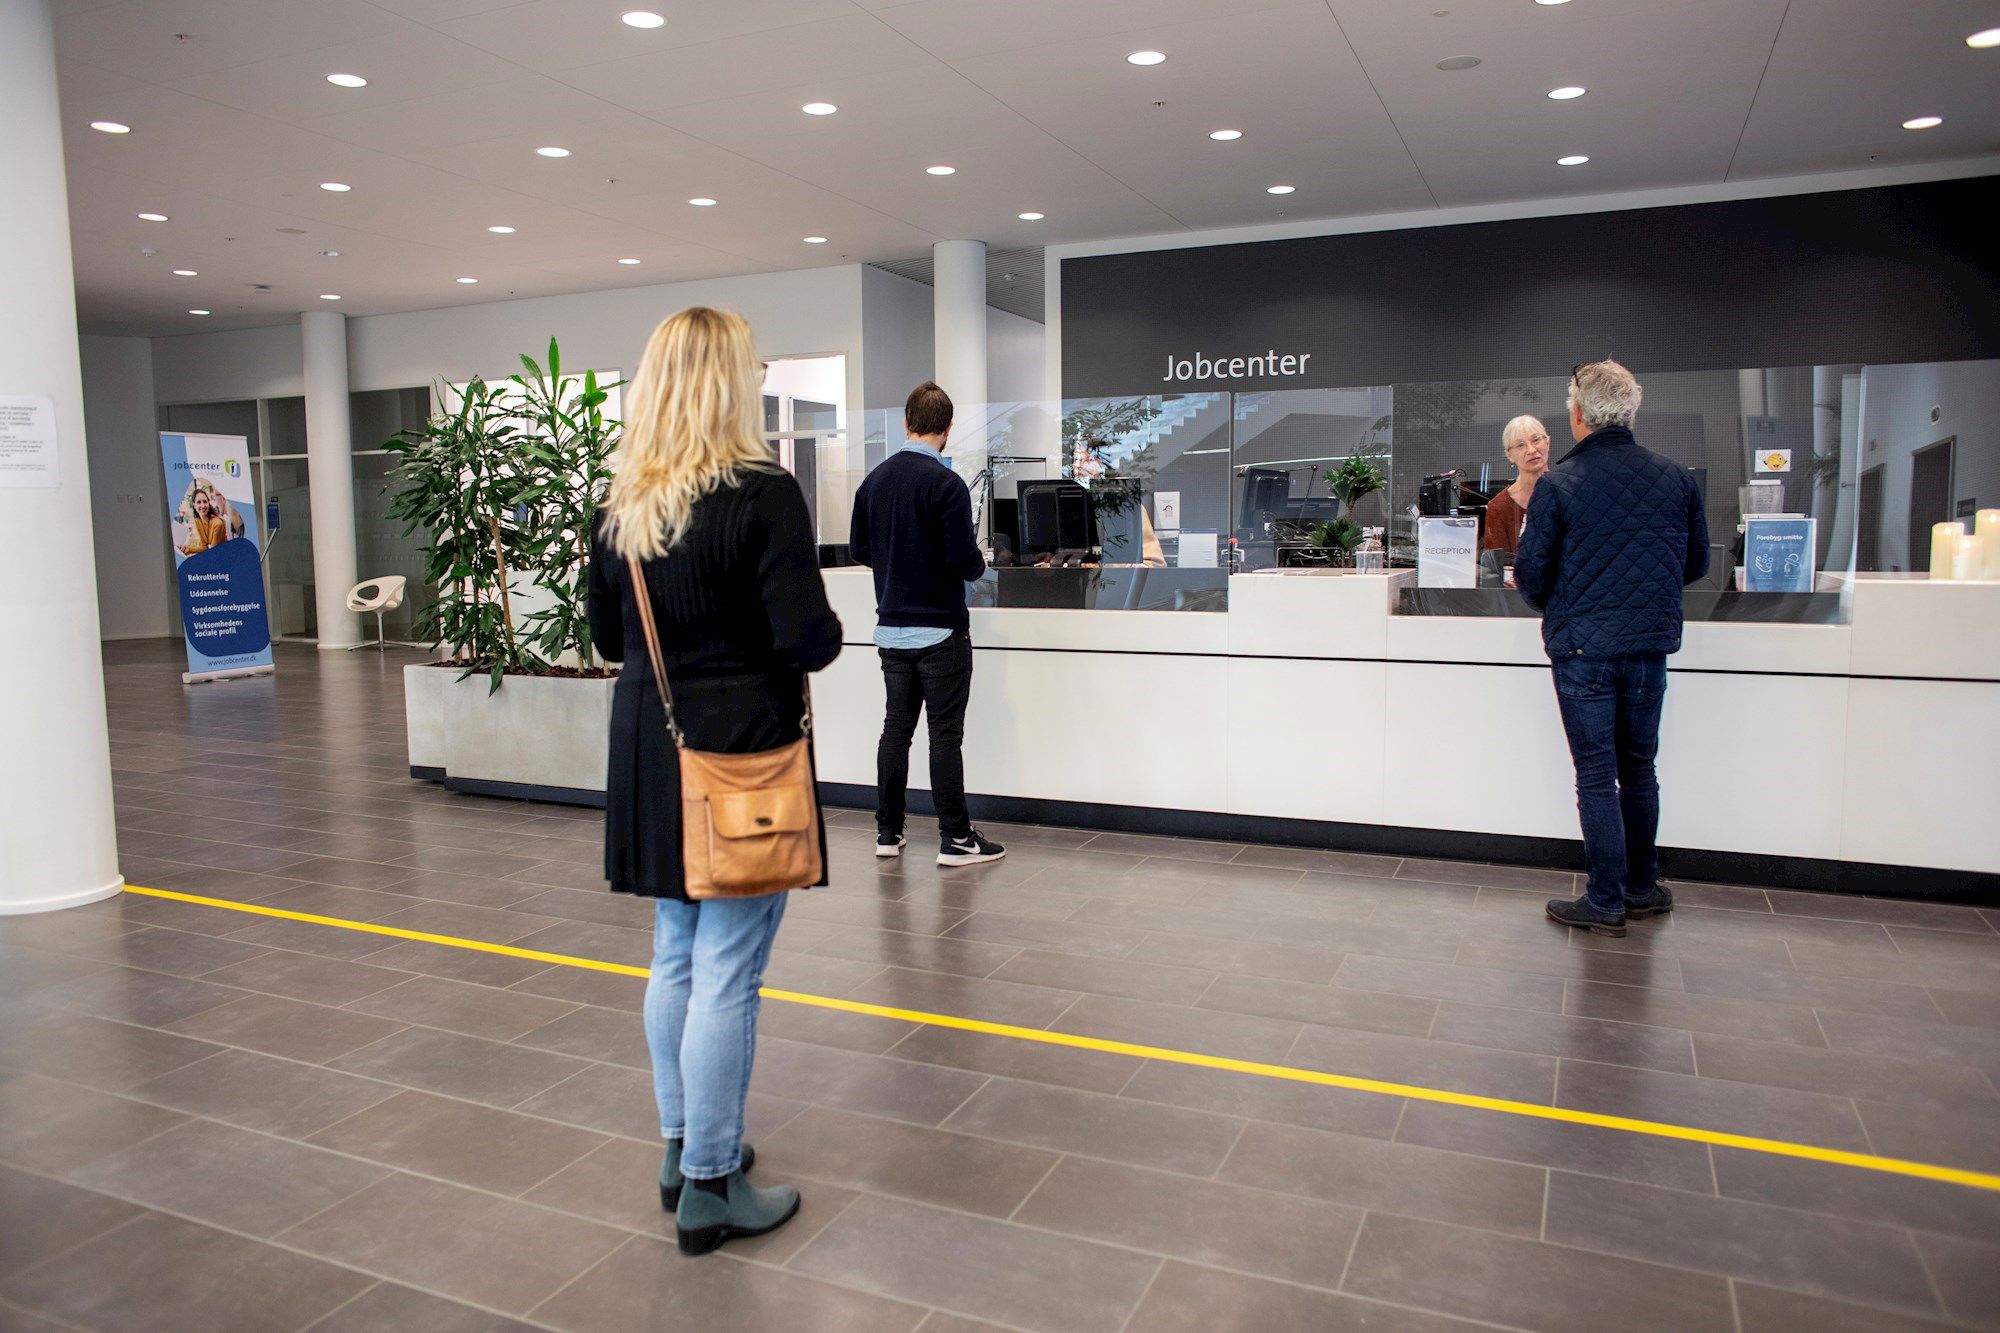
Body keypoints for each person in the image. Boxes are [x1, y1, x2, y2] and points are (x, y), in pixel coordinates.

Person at [586, 306, 842, 1255]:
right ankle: (710, 1181)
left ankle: (681, 1143)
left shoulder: (621, 502)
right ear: (731, 383)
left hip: (651, 748)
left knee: (676, 954)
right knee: (729, 967)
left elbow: (607, 638)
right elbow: (806, 637)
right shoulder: (761, 495)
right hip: (739, 754)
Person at [1514, 359, 1708, 937]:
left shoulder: (1559, 485)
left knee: (1597, 775)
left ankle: (1604, 901)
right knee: (1640, 769)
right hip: (1649, 648)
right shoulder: (1676, 478)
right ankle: (1642, 888)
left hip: (1582, 650)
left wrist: (1566, 599)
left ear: (1578, 414)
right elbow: (1695, 562)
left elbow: (1531, 576)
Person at [848, 381, 1006, 867]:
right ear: (948, 427)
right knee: (944, 735)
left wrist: (897, 562)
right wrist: (981, 563)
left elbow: (859, 550)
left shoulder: (873, 481)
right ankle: (955, 839)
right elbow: (963, 561)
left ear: (906, 422)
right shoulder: (946, 484)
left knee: (895, 731)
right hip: (940, 632)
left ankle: (888, 832)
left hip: (891, 632)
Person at [1481, 415, 1551, 554]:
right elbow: (1496, 563)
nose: (1531, 450)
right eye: (1520, 445)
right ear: (1509, 455)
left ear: (1548, 442)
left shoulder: (1569, 492)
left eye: (1536, 440)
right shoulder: (1499, 507)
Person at [177, 485, 227, 556]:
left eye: (205, 502)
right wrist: (188, 549)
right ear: (194, 506)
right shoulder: (198, 521)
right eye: (199, 502)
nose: (203, 505)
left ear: (209, 504)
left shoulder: (217, 524)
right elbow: (204, 547)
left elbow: (213, 552)